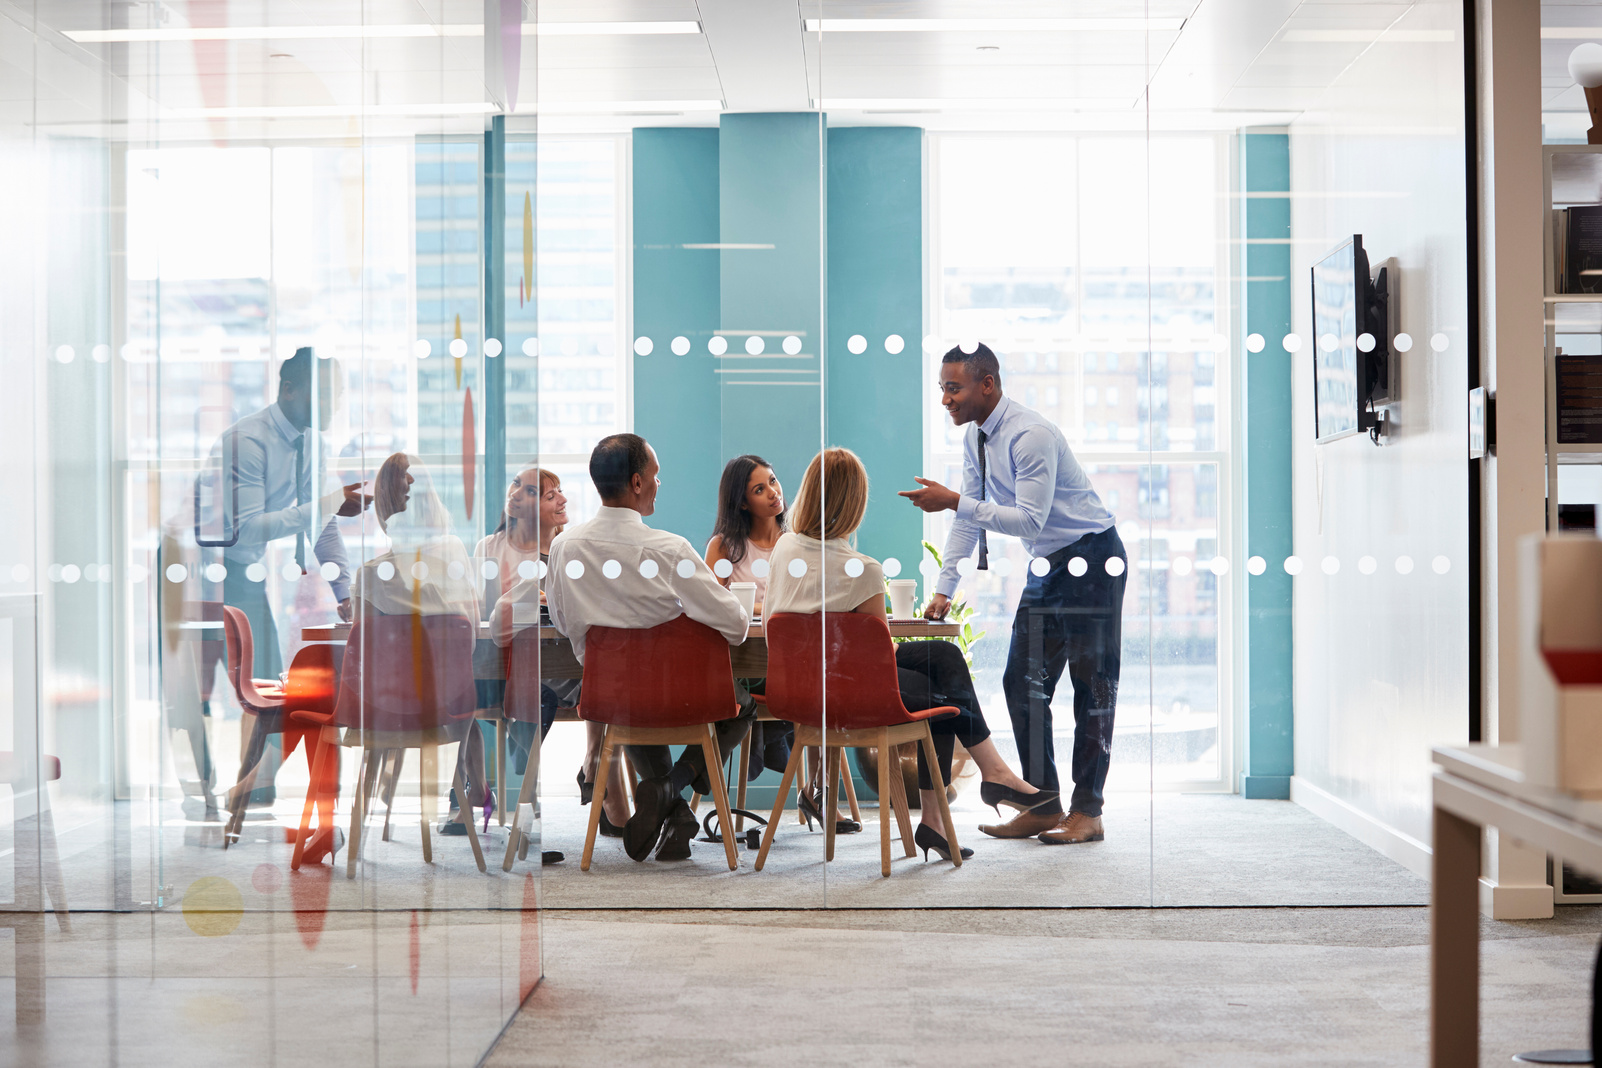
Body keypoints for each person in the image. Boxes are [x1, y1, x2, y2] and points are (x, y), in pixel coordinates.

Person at [766, 447, 1054, 863]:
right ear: (855, 505)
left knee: (943, 657)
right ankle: (988, 780)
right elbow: (879, 655)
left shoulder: (784, 549)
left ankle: (955, 807)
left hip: (798, 687)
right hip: (850, 694)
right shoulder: (860, 569)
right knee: (943, 687)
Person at [901, 342, 1126, 846]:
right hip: (1047, 564)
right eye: (942, 388)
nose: (945, 400)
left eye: (953, 388)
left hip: (1092, 558)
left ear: (988, 384)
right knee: (1020, 682)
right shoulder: (976, 439)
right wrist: (944, 587)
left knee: (1094, 689)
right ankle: (1041, 802)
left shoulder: (1031, 435)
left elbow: (1028, 518)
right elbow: (968, 516)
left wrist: (954, 501)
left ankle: (1087, 811)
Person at [542, 433, 753, 862]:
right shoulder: (669, 549)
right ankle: (672, 791)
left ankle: (673, 810)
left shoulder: (564, 548)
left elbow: (564, 624)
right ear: (637, 483)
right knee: (743, 703)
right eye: (656, 476)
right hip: (679, 697)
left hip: (612, 699)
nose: (660, 483)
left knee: (631, 701)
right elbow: (735, 624)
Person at [204, 347, 370, 807]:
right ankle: (203, 794)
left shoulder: (313, 445)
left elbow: (321, 523)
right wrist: (327, 503)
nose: (333, 407)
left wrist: (344, 591)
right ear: (288, 390)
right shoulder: (248, 441)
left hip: (244, 571)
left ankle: (250, 793)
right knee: (193, 696)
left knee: (267, 686)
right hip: (200, 571)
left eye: (336, 395)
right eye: (324, 395)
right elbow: (247, 526)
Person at [482, 466, 629, 841]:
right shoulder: (491, 550)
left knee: (610, 679)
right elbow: (486, 621)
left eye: (560, 491)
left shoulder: (573, 549)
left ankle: (597, 768)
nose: (563, 500)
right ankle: (602, 786)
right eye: (549, 495)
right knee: (596, 681)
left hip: (569, 663)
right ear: (519, 506)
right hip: (513, 667)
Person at [350, 453, 489, 833]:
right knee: (462, 695)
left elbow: (363, 654)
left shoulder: (369, 576)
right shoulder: (454, 553)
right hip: (448, 707)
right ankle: (472, 790)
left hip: (385, 707)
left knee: (443, 689)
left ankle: (467, 791)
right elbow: (472, 635)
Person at [704, 454, 791, 782]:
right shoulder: (724, 546)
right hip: (742, 660)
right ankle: (778, 745)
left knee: (810, 684)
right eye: (759, 489)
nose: (773, 492)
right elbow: (711, 604)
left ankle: (812, 785)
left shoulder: (796, 543)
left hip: (788, 656)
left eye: (773, 480)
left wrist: (753, 605)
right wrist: (768, 608)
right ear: (741, 502)